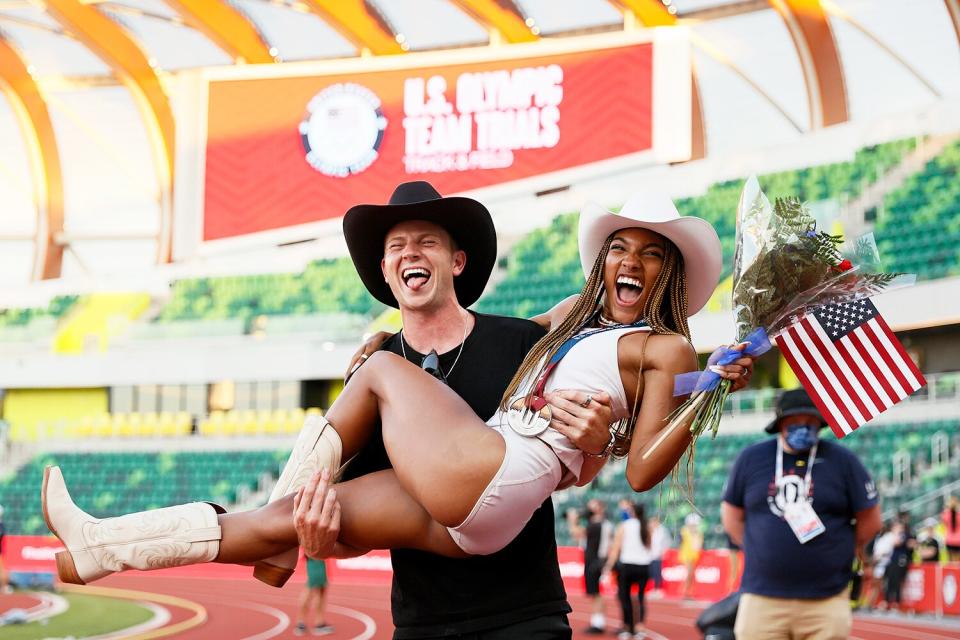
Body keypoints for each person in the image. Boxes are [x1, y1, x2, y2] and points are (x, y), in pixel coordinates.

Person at [43, 184, 756, 636]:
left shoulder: (648, 347)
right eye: (617, 248)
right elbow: (350, 528)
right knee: (281, 517)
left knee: (378, 373)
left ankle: (279, 550)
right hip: (444, 564)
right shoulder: (564, 324)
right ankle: (99, 549)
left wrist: (681, 403)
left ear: (458, 262)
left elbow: (630, 467)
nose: (629, 262)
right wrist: (316, 536)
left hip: (517, 587)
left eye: (650, 254)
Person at [721, 388, 882, 640]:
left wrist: (839, 548)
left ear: (820, 423)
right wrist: (761, 548)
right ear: (780, 423)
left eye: (810, 422)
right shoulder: (751, 459)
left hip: (826, 599)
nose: (803, 427)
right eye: (794, 422)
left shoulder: (842, 460)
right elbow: (731, 517)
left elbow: (871, 520)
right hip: (762, 597)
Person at [605, 502, 653, 640]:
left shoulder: (624, 526)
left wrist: (608, 565)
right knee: (641, 598)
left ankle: (627, 627)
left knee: (624, 597)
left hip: (627, 565)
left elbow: (616, 548)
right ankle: (640, 628)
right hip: (643, 566)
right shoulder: (646, 526)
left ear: (632, 512)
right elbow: (649, 546)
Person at [568, 499, 613, 634]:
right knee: (595, 593)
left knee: (596, 592)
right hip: (595, 560)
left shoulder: (597, 524)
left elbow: (577, 533)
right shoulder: (599, 524)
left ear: (600, 508)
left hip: (595, 561)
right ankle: (598, 621)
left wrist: (573, 521)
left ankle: (598, 623)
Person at [295, 557, 334, 636]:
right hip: (316, 558)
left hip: (317, 559)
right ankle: (313, 624)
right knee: (312, 590)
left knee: (319, 590)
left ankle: (311, 623)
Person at [678, 513, 703, 599]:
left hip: (694, 555)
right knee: (690, 573)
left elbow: (698, 545)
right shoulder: (684, 530)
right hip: (687, 555)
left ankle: (688, 592)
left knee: (691, 574)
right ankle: (685, 591)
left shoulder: (697, 533)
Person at [647, 515, 670, 598]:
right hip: (650, 555)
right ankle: (653, 589)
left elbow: (666, 542)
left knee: (657, 573)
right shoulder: (650, 531)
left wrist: (663, 551)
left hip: (658, 556)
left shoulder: (662, 531)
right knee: (651, 573)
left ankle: (658, 589)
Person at [942, 495, 960, 561]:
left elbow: (944, 522)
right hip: (957, 540)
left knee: (951, 561)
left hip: (949, 540)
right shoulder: (958, 514)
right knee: (957, 561)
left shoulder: (946, 514)